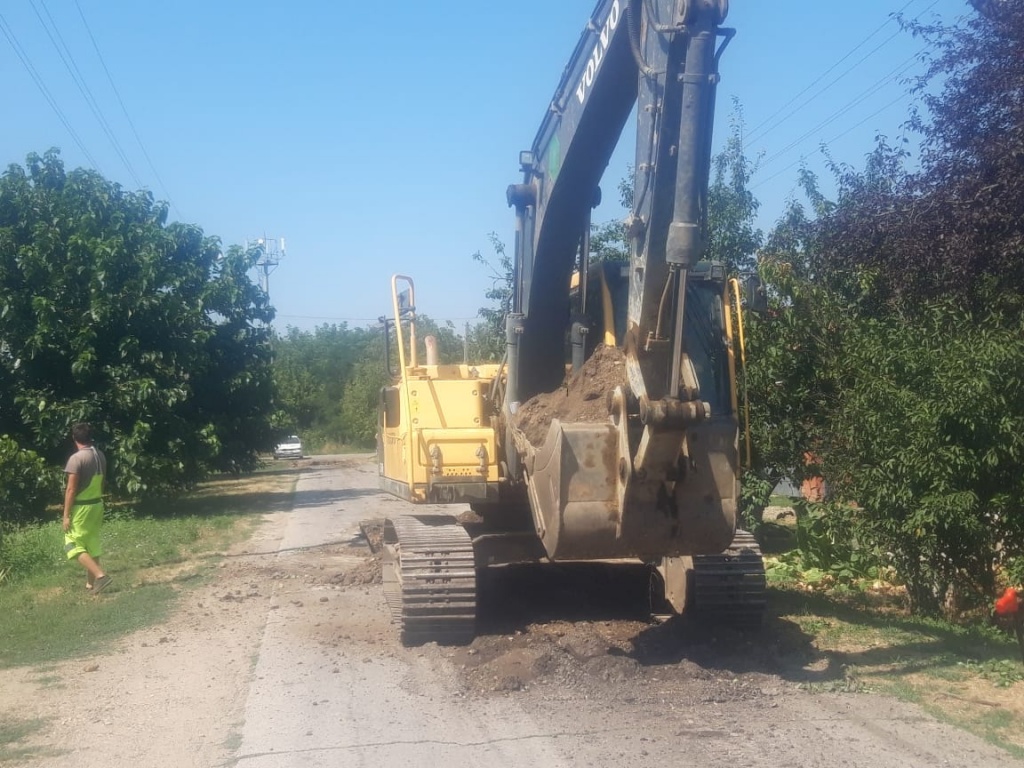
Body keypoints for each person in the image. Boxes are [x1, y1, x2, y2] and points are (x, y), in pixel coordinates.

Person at [63, 423, 112, 594]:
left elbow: (71, 489)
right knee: (91, 543)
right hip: (97, 504)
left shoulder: (76, 459)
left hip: (82, 507)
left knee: (72, 544)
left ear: (74, 438)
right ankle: (91, 585)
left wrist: (66, 515)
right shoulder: (100, 455)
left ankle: (100, 576)